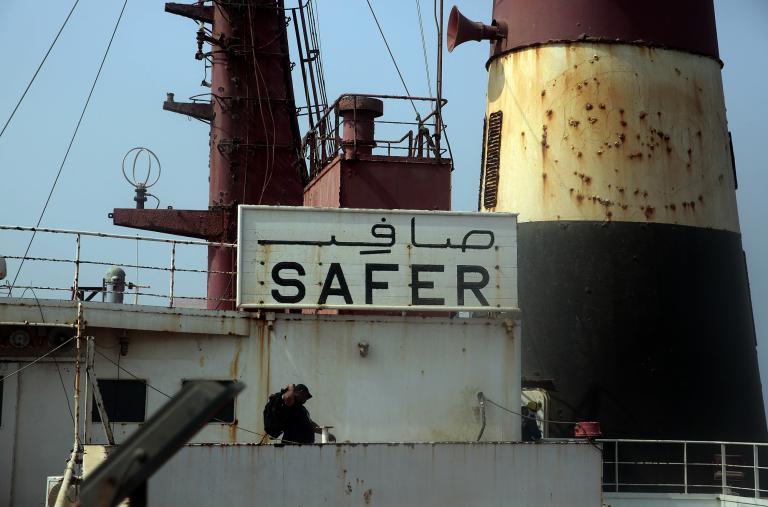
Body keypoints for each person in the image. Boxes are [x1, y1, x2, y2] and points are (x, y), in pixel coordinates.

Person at [263, 383, 335, 444]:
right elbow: (288, 398)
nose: (306, 399)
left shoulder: (301, 408)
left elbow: (310, 424)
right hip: (292, 446)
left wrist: (325, 434)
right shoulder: (291, 405)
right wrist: (291, 387)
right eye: (306, 396)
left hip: (303, 447)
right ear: (299, 392)